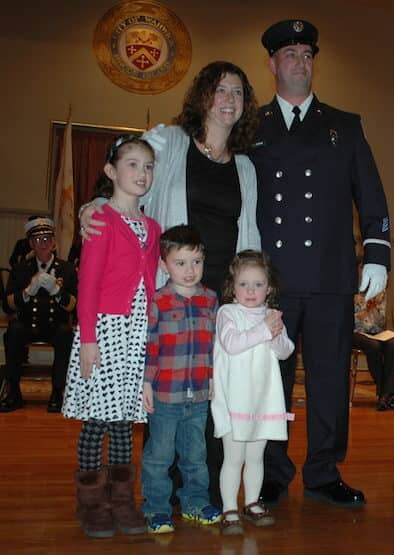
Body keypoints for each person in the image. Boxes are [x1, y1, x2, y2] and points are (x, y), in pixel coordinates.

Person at [80, 60, 262, 509]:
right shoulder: (172, 141)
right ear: (202, 96)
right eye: (220, 89)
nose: (229, 99)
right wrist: (96, 204)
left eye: (238, 92)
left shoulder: (246, 167)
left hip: (221, 298)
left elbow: (251, 233)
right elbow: (127, 172)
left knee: (211, 393)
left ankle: (203, 492)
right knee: (166, 397)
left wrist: (252, 297)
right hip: (171, 292)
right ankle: (160, 494)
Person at [250, 20, 391, 507]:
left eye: (307, 54)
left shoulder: (344, 125)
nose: (300, 62)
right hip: (271, 282)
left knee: (330, 379)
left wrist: (378, 251)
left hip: (331, 276)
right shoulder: (254, 126)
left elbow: (370, 194)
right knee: (273, 382)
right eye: (290, 54)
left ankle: (324, 470)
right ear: (272, 64)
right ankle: (272, 470)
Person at [62, 135, 161, 538]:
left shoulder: (152, 227)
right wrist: (88, 339)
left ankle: (122, 499)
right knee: (97, 422)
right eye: (132, 164)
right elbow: (88, 285)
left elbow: (152, 283)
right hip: (103, 332)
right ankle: (91, 502)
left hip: (137, 334)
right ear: (111, 171)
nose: (141, 173)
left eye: (148, 166)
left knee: (123, 422)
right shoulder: (102, 219)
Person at [141, 225, 222, 534]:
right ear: (164, 265)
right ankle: (156, 509)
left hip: (199, 395)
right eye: (180, 263)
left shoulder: (210, 300)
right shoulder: (159, 301)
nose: (190, 271)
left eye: (196, 262)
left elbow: (215, 344)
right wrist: (147, 383)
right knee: (159, 457)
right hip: (165, 396)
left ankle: (195, 503)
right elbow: (151, 345)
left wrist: (214, 377)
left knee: (196, 456)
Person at [212, 250, 294, 534]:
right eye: (244, 284)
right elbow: (232, 344)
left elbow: (286, 351)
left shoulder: (271, 316)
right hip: (235, 399)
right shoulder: (227, 313)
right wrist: (263, 331)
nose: (251, 291)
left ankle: (251, 502)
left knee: (256, 456)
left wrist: (275, 335)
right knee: (233, 457)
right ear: (232, 287)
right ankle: (229, 508)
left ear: (268, 288)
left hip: (262, 400)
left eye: (258, 284)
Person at [0, 217, 77, 412]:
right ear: (31, 244)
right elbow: (7, 306)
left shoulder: (67, 269)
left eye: (47, 239)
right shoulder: (21, 269)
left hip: (55, 326)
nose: (43, 244)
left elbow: (74, 306)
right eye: (38, 240)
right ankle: (13, 391)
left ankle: (57, 392)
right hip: (28, 325)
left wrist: (57, 292)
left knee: (66, 334)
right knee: (13, 331)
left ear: (53, 243)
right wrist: (27, 292)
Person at [353, 260, 394, 411]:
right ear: (358, 269)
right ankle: (386, 393)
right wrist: (364, 311)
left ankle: (384, 395)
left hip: (376, 332)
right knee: (373, 346)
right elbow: (348, 320)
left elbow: (381, 322)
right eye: (362, 267)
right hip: (356, 332)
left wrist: (373, 308)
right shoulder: (351, 289)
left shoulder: (379, 290)